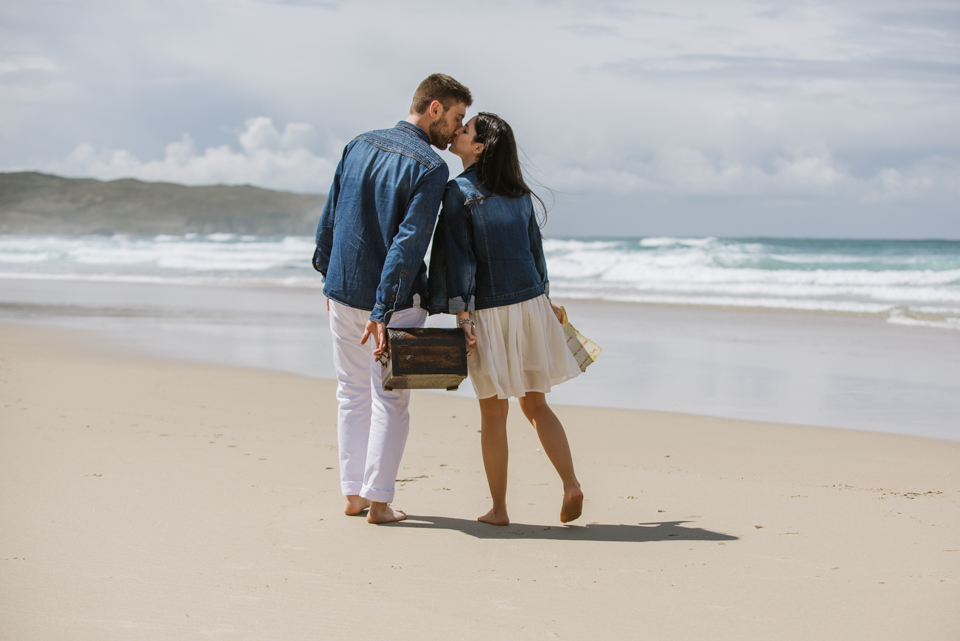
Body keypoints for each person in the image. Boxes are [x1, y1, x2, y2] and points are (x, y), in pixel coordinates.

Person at [313, 74, 472, 524]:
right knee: (389, 398)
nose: (456, 130)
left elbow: (331, 215)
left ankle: (353, 494)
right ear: (435, 108)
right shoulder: (430, 167)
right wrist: (383, 309)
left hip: (343, 291)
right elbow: (408, 243)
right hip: (394, 301)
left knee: (350, 392)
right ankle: (379, 501)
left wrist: (327, 274)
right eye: (457, 118)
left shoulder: (358, 143)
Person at [427, 112, 584, 525]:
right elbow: (536, 254)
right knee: (537, 405)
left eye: (465, 130)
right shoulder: (519, 195)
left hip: (490, 313)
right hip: (531, 305)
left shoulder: (458, 192)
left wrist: (461, 314)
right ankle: (571, 483)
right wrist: (545, 299)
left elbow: (459, 259)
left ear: (479, 147)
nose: (458, 132)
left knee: (493, 413)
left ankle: (498, 509)